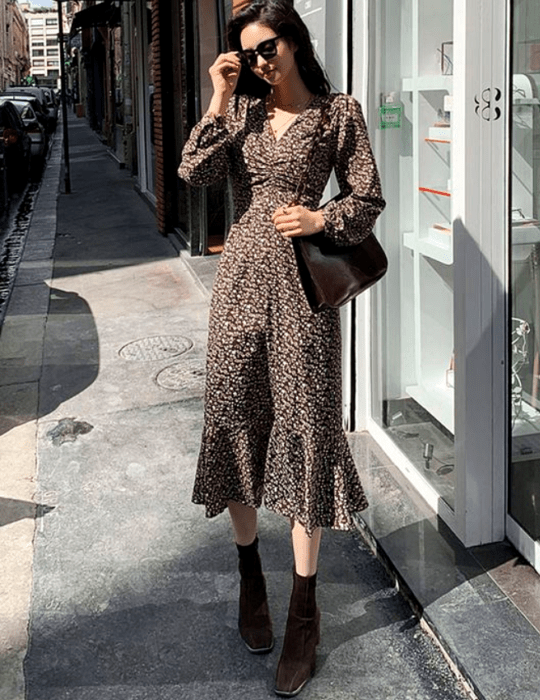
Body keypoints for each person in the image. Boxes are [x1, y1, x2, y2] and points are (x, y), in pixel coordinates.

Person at [178, 1, 384, 696]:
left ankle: (303, 611)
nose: (261, 61)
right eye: (249, 52)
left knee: (305, 428)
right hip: (240, 281)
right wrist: (220, 93)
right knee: (235, 416)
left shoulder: (339, 114)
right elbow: (192, 173)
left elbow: (368, 198)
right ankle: (248, 580)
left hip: (304, 291)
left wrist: (321, 215)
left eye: (269, 48)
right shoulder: (242, 112)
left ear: (293, 41)